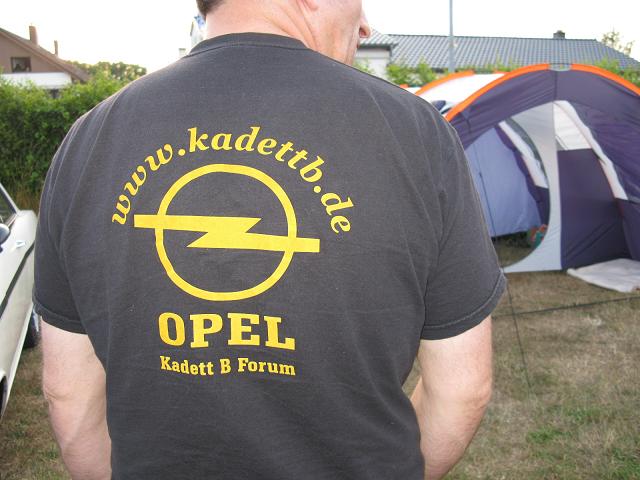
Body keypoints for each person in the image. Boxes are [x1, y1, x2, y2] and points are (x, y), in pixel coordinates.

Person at [34, 0, 506, 478]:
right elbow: (460, 389)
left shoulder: (88, 142)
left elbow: (68, 393)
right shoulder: (415, 133)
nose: (365, 25)